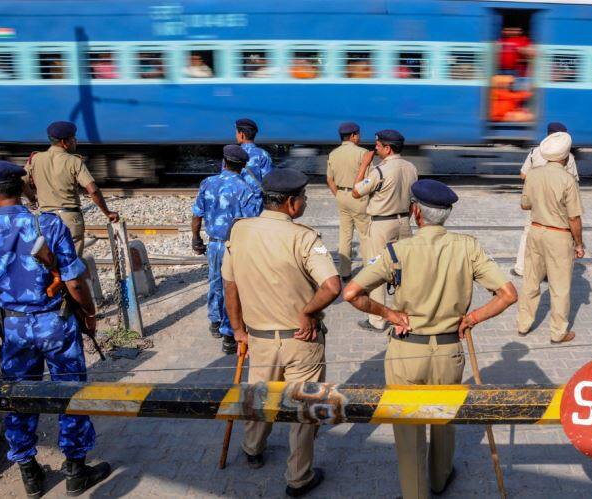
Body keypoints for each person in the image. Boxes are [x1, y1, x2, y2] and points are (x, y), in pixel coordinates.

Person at [343, 179, 518, 499]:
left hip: (406, 352)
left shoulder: (396, 251)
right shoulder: (468, 246)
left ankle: (415, 493)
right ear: (445, 214)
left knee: (408, 431)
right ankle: (440, 479)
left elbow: (352, 292)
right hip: (449, 351)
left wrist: (389, 314)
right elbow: (508, 294)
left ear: (415, 212)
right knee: (443, 419)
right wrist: (473, 318)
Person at [0, 161, 111, 497]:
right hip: (56, 323)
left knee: (19, 396)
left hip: (14, 328)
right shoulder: (49, 224)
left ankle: (29, 473)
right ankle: (76, 469)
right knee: (70, 391)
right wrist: (89, 312)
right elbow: (73, 280)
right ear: (24, 187)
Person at [222, 168, 339, 497]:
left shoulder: (240, 231)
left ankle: (252, 448)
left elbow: (228, 284)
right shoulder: (304, 237)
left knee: (259, 396)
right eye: (303, 198)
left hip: (258, 336)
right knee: (305, 408)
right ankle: (299, 477)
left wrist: (237, 329)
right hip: (302, 340)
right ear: (291, 203)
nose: (304, 203)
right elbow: (332, 285)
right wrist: (308, 311)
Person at [191, 145, 262, 354]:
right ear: (242, 167)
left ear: (223, 162)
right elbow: (252, 222)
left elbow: (197, 215)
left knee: (215, 282)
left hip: (214, 244)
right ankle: (229, 335)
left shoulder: (207, 183)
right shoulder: (247, 189)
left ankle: (214, 321)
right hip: (236, 246)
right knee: (233, 287)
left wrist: (196, 239)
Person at [516, 132, 584, 344]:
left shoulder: (533, 174)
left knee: (530, 281)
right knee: (560, 287)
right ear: (566, 156)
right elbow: (574, 218)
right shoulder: (568, 180)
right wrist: (579, 244)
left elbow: (524, 204)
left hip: (536, 231)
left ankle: (523, 324)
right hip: (559, 235)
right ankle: (558, 332)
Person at [351, 129, 417, 331]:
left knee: (378, 269)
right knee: (404, 269)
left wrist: (364, 165)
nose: (375, 149)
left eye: (378, 146)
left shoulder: (379, 171)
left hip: (381, 224)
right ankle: (406, 313)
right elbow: (414, 200)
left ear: (387, 149)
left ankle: (377, 320)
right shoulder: (411, 167)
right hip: (404, 222)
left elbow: (356, 191)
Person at [24, 121, 119, 256]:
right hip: (70, 219)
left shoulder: (35, 159)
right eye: (73, 138)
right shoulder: (74, 161)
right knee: (72, 264)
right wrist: (107, 212)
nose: (76, 141)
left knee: (51, 263)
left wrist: (32, 199)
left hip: (45, 219)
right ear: (64, 142)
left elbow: (22, 182)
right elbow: (93, 190)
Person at [514, 122, 579, 276]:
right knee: (556, 235)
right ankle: (549, 272)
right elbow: (573, 181)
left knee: (529, 232)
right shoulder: (567, 157)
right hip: (557, 204)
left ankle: (521, 268)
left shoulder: (534, 152)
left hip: (536, 201)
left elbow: (523, 175)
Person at [326, 122, 375, 281]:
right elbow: (369, 180)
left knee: (345, 235)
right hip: (358, 197)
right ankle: (370, 271)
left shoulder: (333, 153)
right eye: (358, 134)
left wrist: (339, 195)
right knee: (365, 235)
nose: (359, 137)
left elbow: (329, 179)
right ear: (353, 135)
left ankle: (345, 273)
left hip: (341, 195)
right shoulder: (363, 153)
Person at [235, 118, 273, 194]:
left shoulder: (232, 153)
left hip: (236, 200)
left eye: (236, 133)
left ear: (241, 134)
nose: (236, 135)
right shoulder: (263, 154)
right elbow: (268, 181)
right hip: (256, 202)